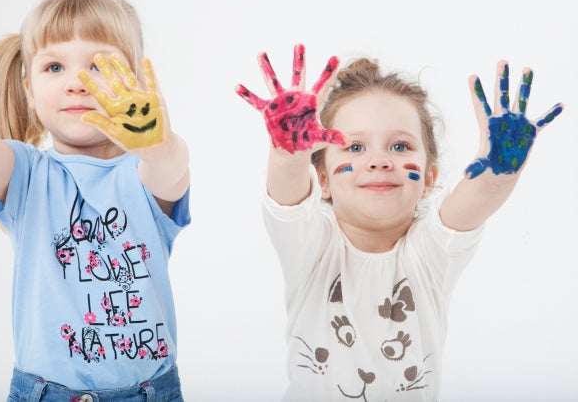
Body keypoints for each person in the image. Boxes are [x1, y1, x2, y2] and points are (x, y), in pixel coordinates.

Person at [235, 44, 562, 401]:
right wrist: (288, 153)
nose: (378, 160)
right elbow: (287, 196)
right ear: (322, 179)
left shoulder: (431, 252)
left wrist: (498, 169)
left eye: (400, 147)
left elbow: (477, 198)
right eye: (355, 147)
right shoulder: (310, 245)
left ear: (429, 178)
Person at [0, 0, 189, 402]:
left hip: (151, 393)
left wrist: (158, 143)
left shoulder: (144, 173)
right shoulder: (24, 175)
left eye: (99, 65)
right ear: (29, 92)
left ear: (138, 85)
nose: (77, 82)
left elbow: (172, 167)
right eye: (55, 67)